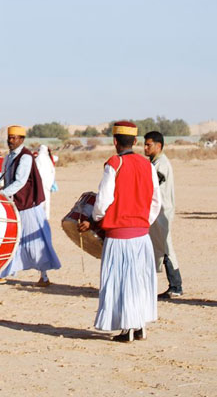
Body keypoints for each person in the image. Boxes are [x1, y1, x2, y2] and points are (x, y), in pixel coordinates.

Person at [79, 121, 161, 342]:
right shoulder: (148, 166)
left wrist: (96, 219)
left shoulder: (114, 164)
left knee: (121, 281)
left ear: (115, 141)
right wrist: (143, 222)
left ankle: (127, 329)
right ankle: (139, 326)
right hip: (142, 235)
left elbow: (103, 200)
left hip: (119, 236)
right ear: (135, 141)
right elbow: (156, 201)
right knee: (139, 281)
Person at [0, 126, 60, 286]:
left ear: (21, 139)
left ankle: (44, 277)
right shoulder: (9, 157)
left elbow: (20, 181)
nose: (10, 141)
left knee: (36, 242)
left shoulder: (25, 157)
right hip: (15, 204)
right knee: (10, 240)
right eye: (9, 137)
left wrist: (2, 194)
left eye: (14, 138)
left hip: (28, 206)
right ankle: (1, 273)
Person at [144, 131, 183, 299]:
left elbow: (150, 184)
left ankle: (176, 286)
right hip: (155, 211)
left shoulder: (162, 164)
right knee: (158, 247)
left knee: (166, 248)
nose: (145, 148)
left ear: (158, 146)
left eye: (148, 145)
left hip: (162, 211)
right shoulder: (154, 163)